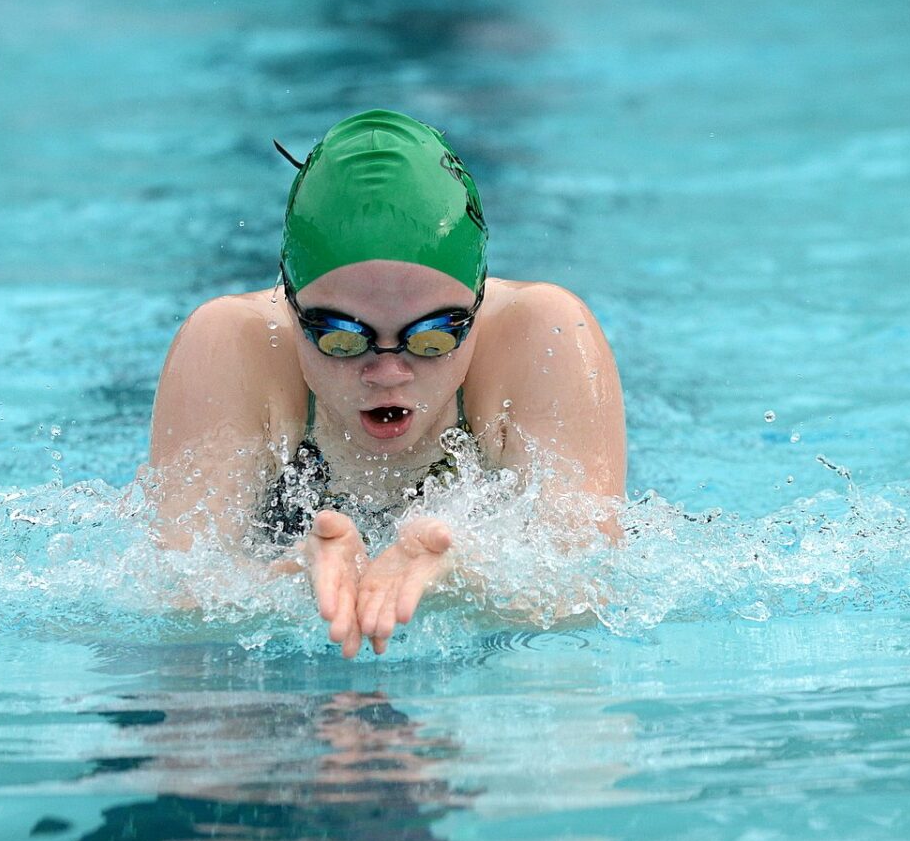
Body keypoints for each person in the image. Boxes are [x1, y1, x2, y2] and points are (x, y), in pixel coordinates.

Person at [147, 109, 626, 658]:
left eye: (434, 335)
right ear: (290, 303)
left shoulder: (544, 335)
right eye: (340, 336)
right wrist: (291, 578)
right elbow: (170, 600)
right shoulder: (232, 345)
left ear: (478, 304)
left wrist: (460, 572)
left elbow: (590, 591)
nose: (389, 372)